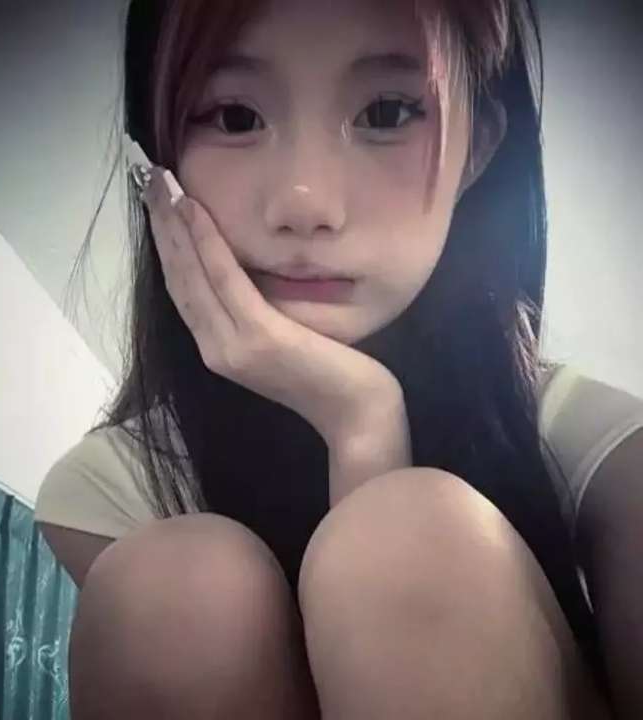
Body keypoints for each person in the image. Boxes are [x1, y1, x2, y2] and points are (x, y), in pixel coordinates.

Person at [34, 0, 643, 718]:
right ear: (156, 166)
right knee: (170, 589)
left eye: (386, 112)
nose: (306, 203)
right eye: (235, 117)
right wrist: (358, 420)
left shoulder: (602, 453)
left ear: (476, 151)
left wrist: (366, 433)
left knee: (407, 532)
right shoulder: (107, 492)